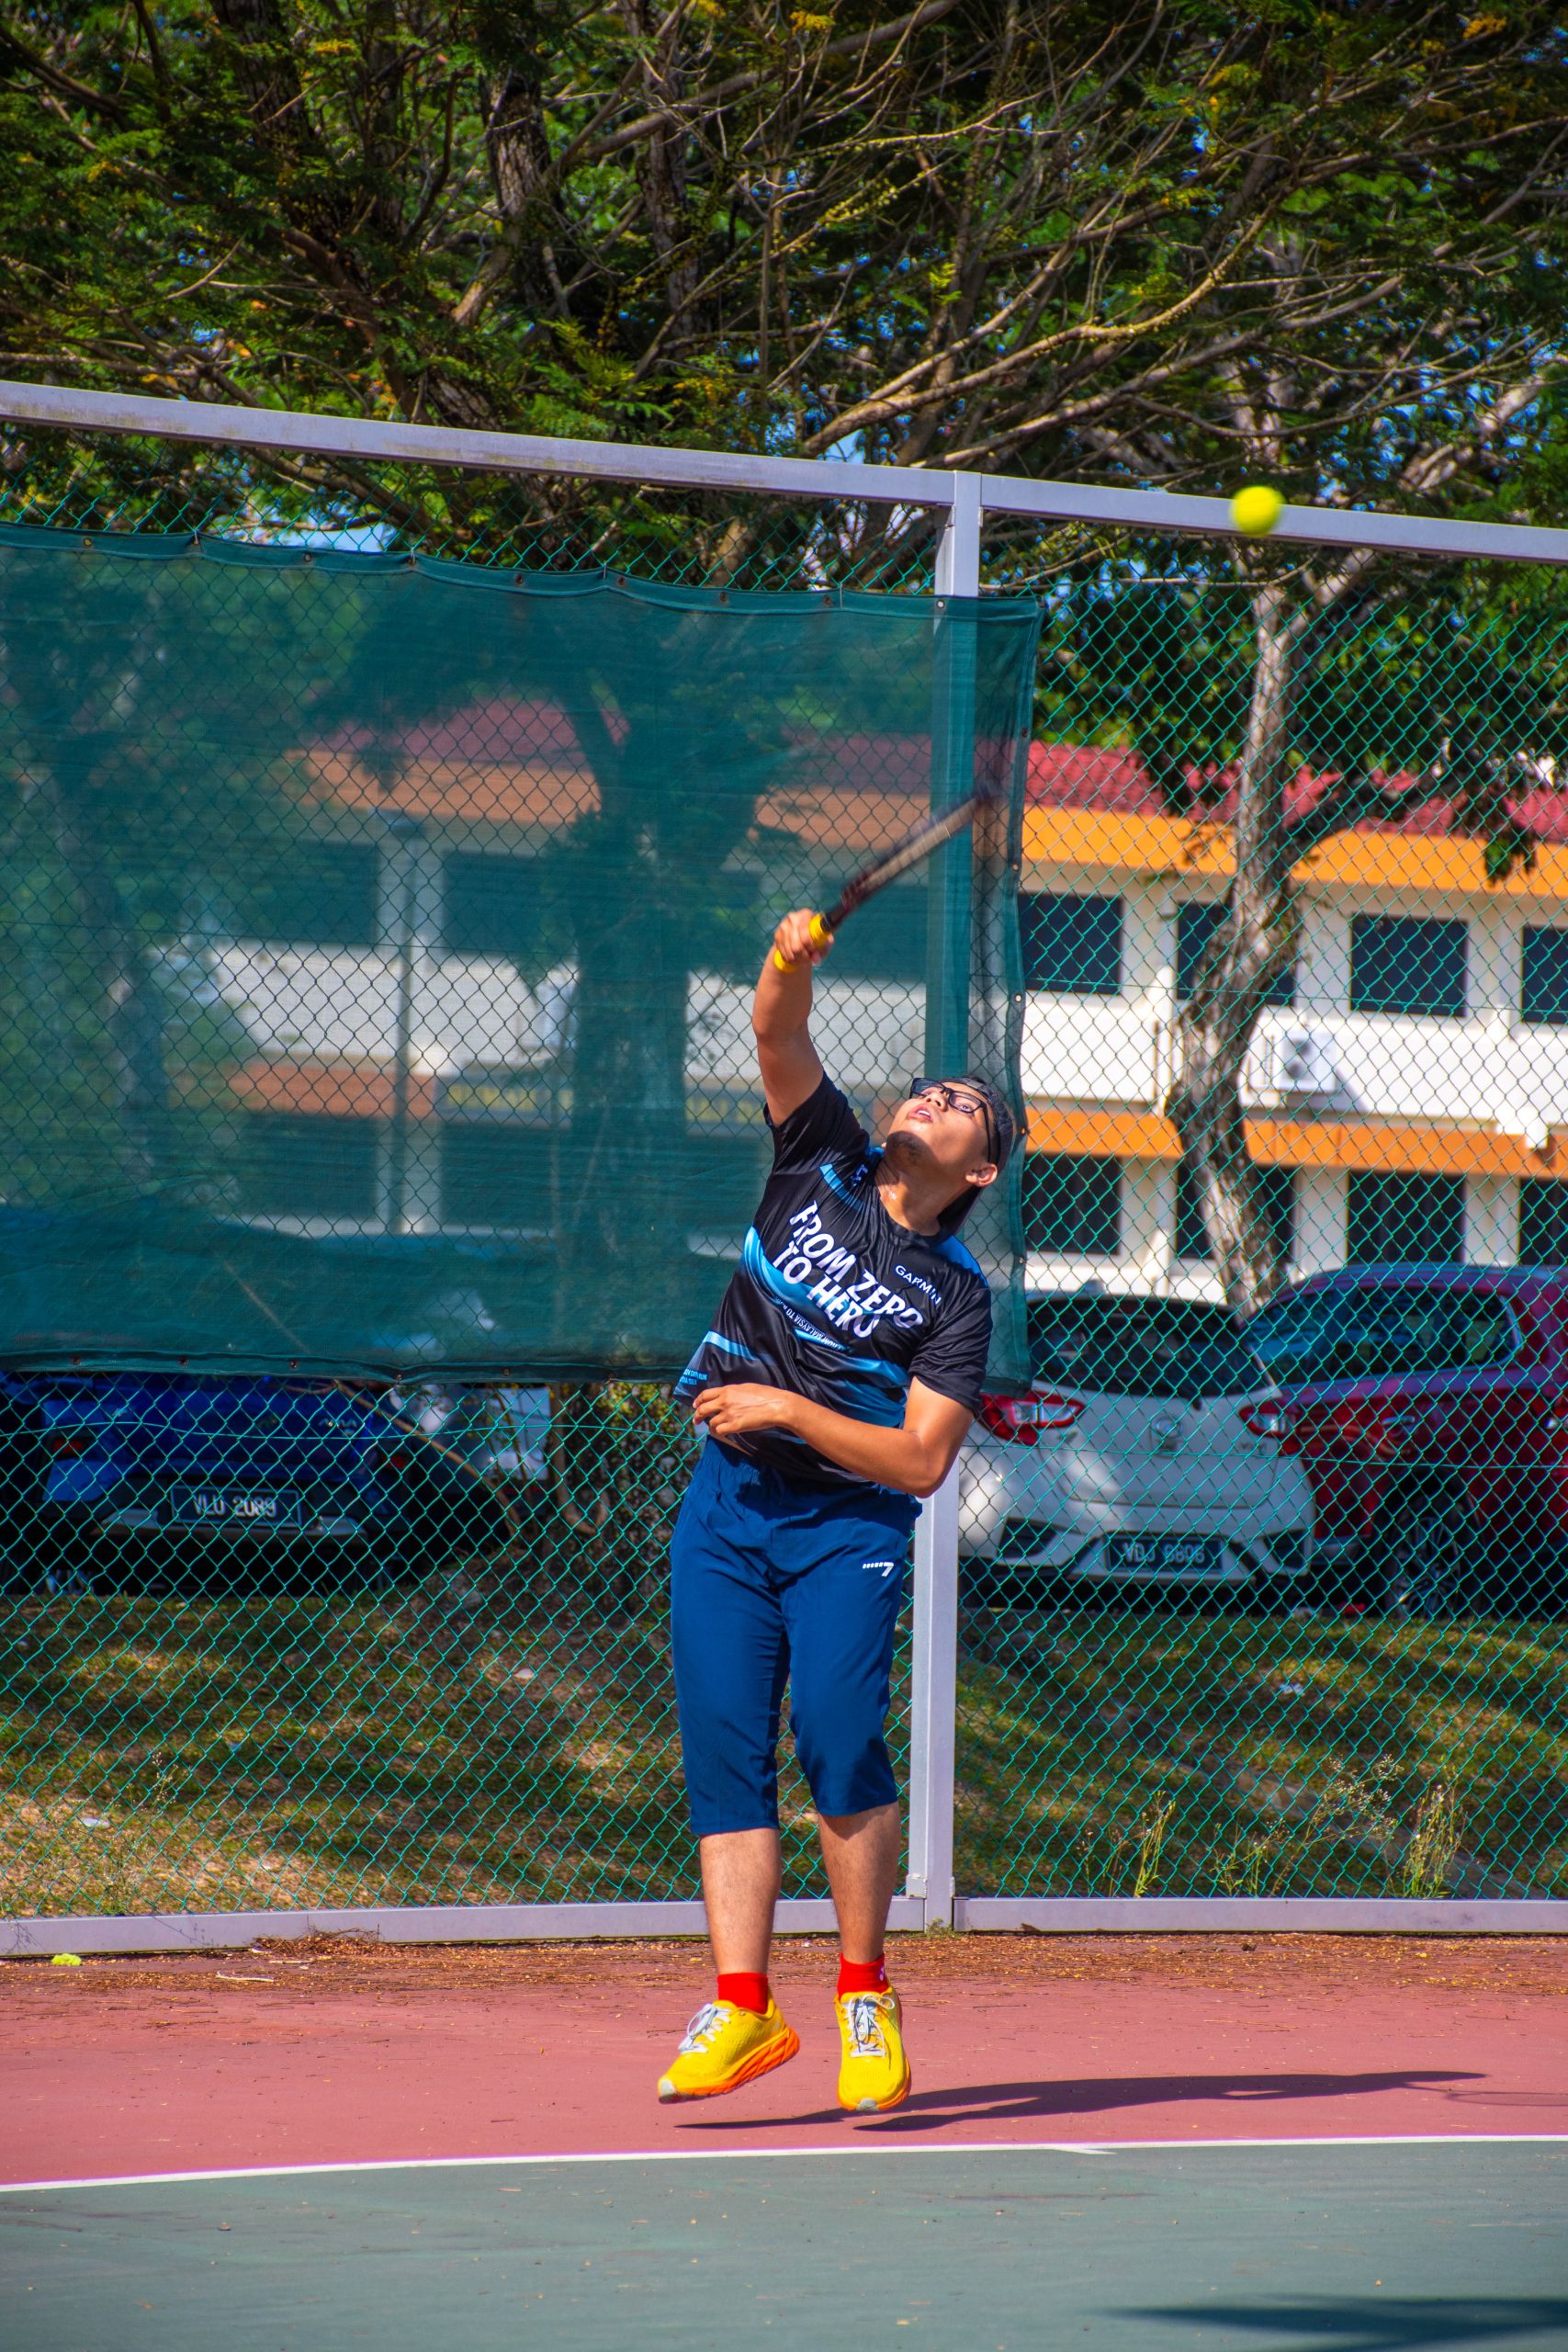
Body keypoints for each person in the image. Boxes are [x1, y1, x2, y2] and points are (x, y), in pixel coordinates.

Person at [659, 905, 1014, 2114]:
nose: (930, 1098)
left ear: (978, 1170)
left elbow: (919, 1462)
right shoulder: (819, 1154)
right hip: (725, 1512)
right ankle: (743, 2008)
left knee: (837, 1733)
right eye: (926, 1088)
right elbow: (776, 1031)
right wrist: (785, 959)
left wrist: (791, 1410)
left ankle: (865, 1996)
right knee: (724, 1747)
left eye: (958, 1104)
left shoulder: (955, 1297)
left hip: (843, 1532)